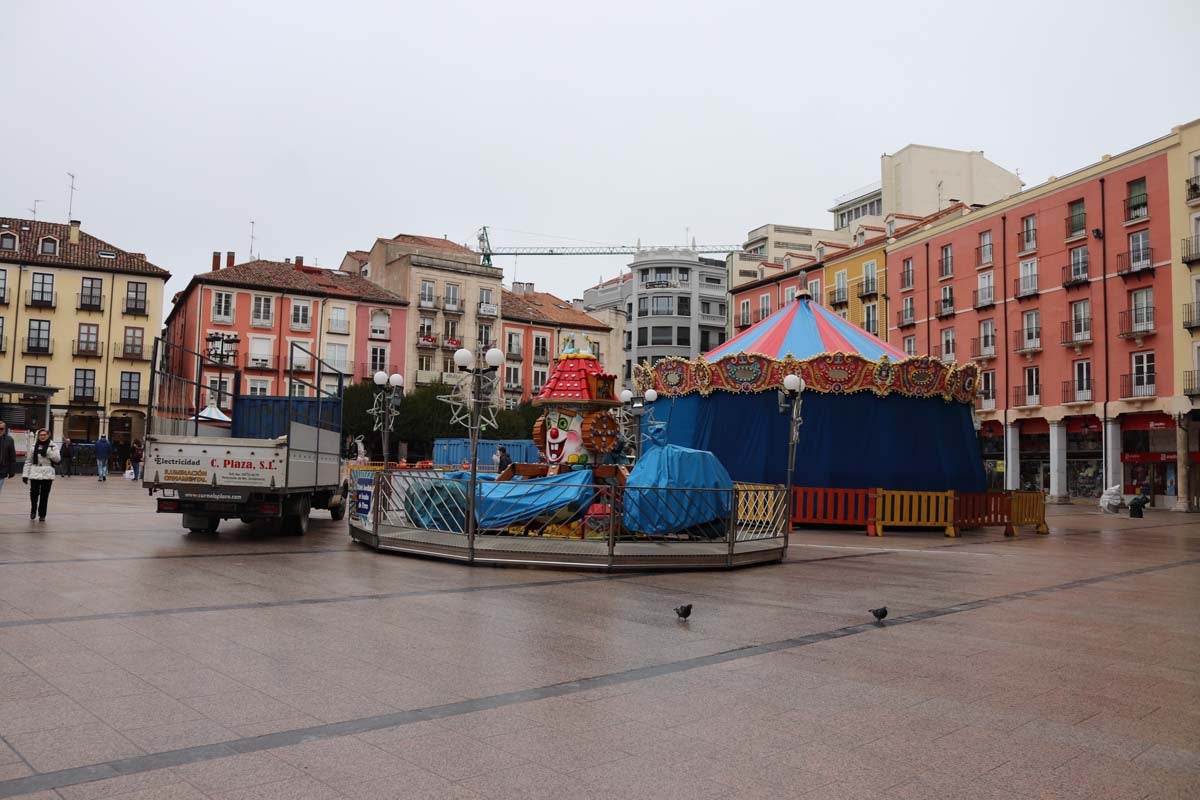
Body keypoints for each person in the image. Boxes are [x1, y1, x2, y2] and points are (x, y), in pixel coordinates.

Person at [22, 428, 60, 522]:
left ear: (48, 435)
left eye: (44, 435)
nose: (42, 437)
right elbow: (28, 461)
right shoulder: (33, 446)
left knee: (44, 495)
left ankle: (42, 514)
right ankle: (33, 510)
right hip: (35, 471)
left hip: (48, 473)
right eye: (40, 435)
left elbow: (57, 459)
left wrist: (47, 450)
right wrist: (25, 474)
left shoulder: (53, 446)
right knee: (34, 493)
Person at [0, 421, 15, 495]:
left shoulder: (9, 440)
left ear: (4, 429)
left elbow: (12, 456)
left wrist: (11, 470)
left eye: (1, 428)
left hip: (2, 470)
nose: (0, 430)